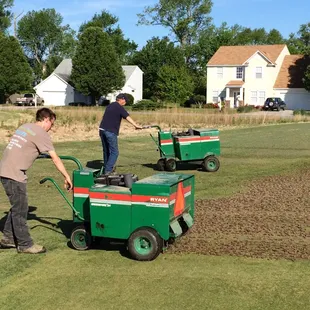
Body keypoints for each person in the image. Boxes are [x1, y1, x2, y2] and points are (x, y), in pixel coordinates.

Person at [0, 108, 73, 254]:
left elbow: (23, 147)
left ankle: (8, 238)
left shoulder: (25, 127)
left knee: (17, 207)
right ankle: (25, 244)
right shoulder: (41, 134)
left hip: (5, 169)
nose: (51, 128)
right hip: (14, 173)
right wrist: (66, 176)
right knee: (21, 209)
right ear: (46, 119)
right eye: (51, 124)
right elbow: (55, 158)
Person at [99, 93, 142, 175]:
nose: (125, 103)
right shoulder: (119, 107)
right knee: (115, 152)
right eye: (125, 101)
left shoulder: (110, 105)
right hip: (110, 132)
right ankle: (108, 171)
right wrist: (136, 125)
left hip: (102, 130)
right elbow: (127, 117)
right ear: (121, 99)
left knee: (106, 151)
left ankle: (106, 167)